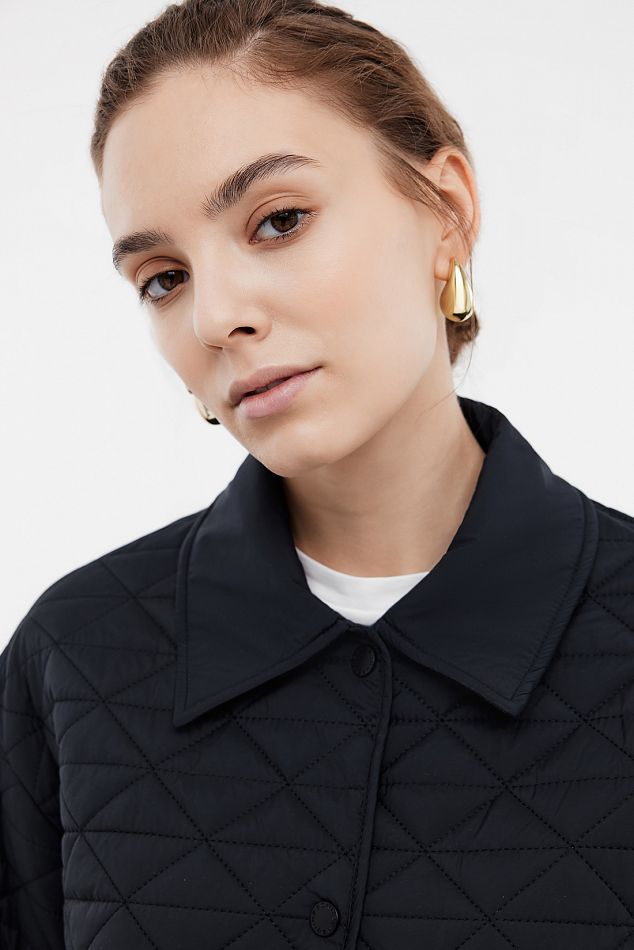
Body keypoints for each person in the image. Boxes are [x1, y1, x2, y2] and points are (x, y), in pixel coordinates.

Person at [2, 1, 633, 948]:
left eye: (278, 221)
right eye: (164, 278)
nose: (214, 316)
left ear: (447, 213)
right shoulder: (74, 660)